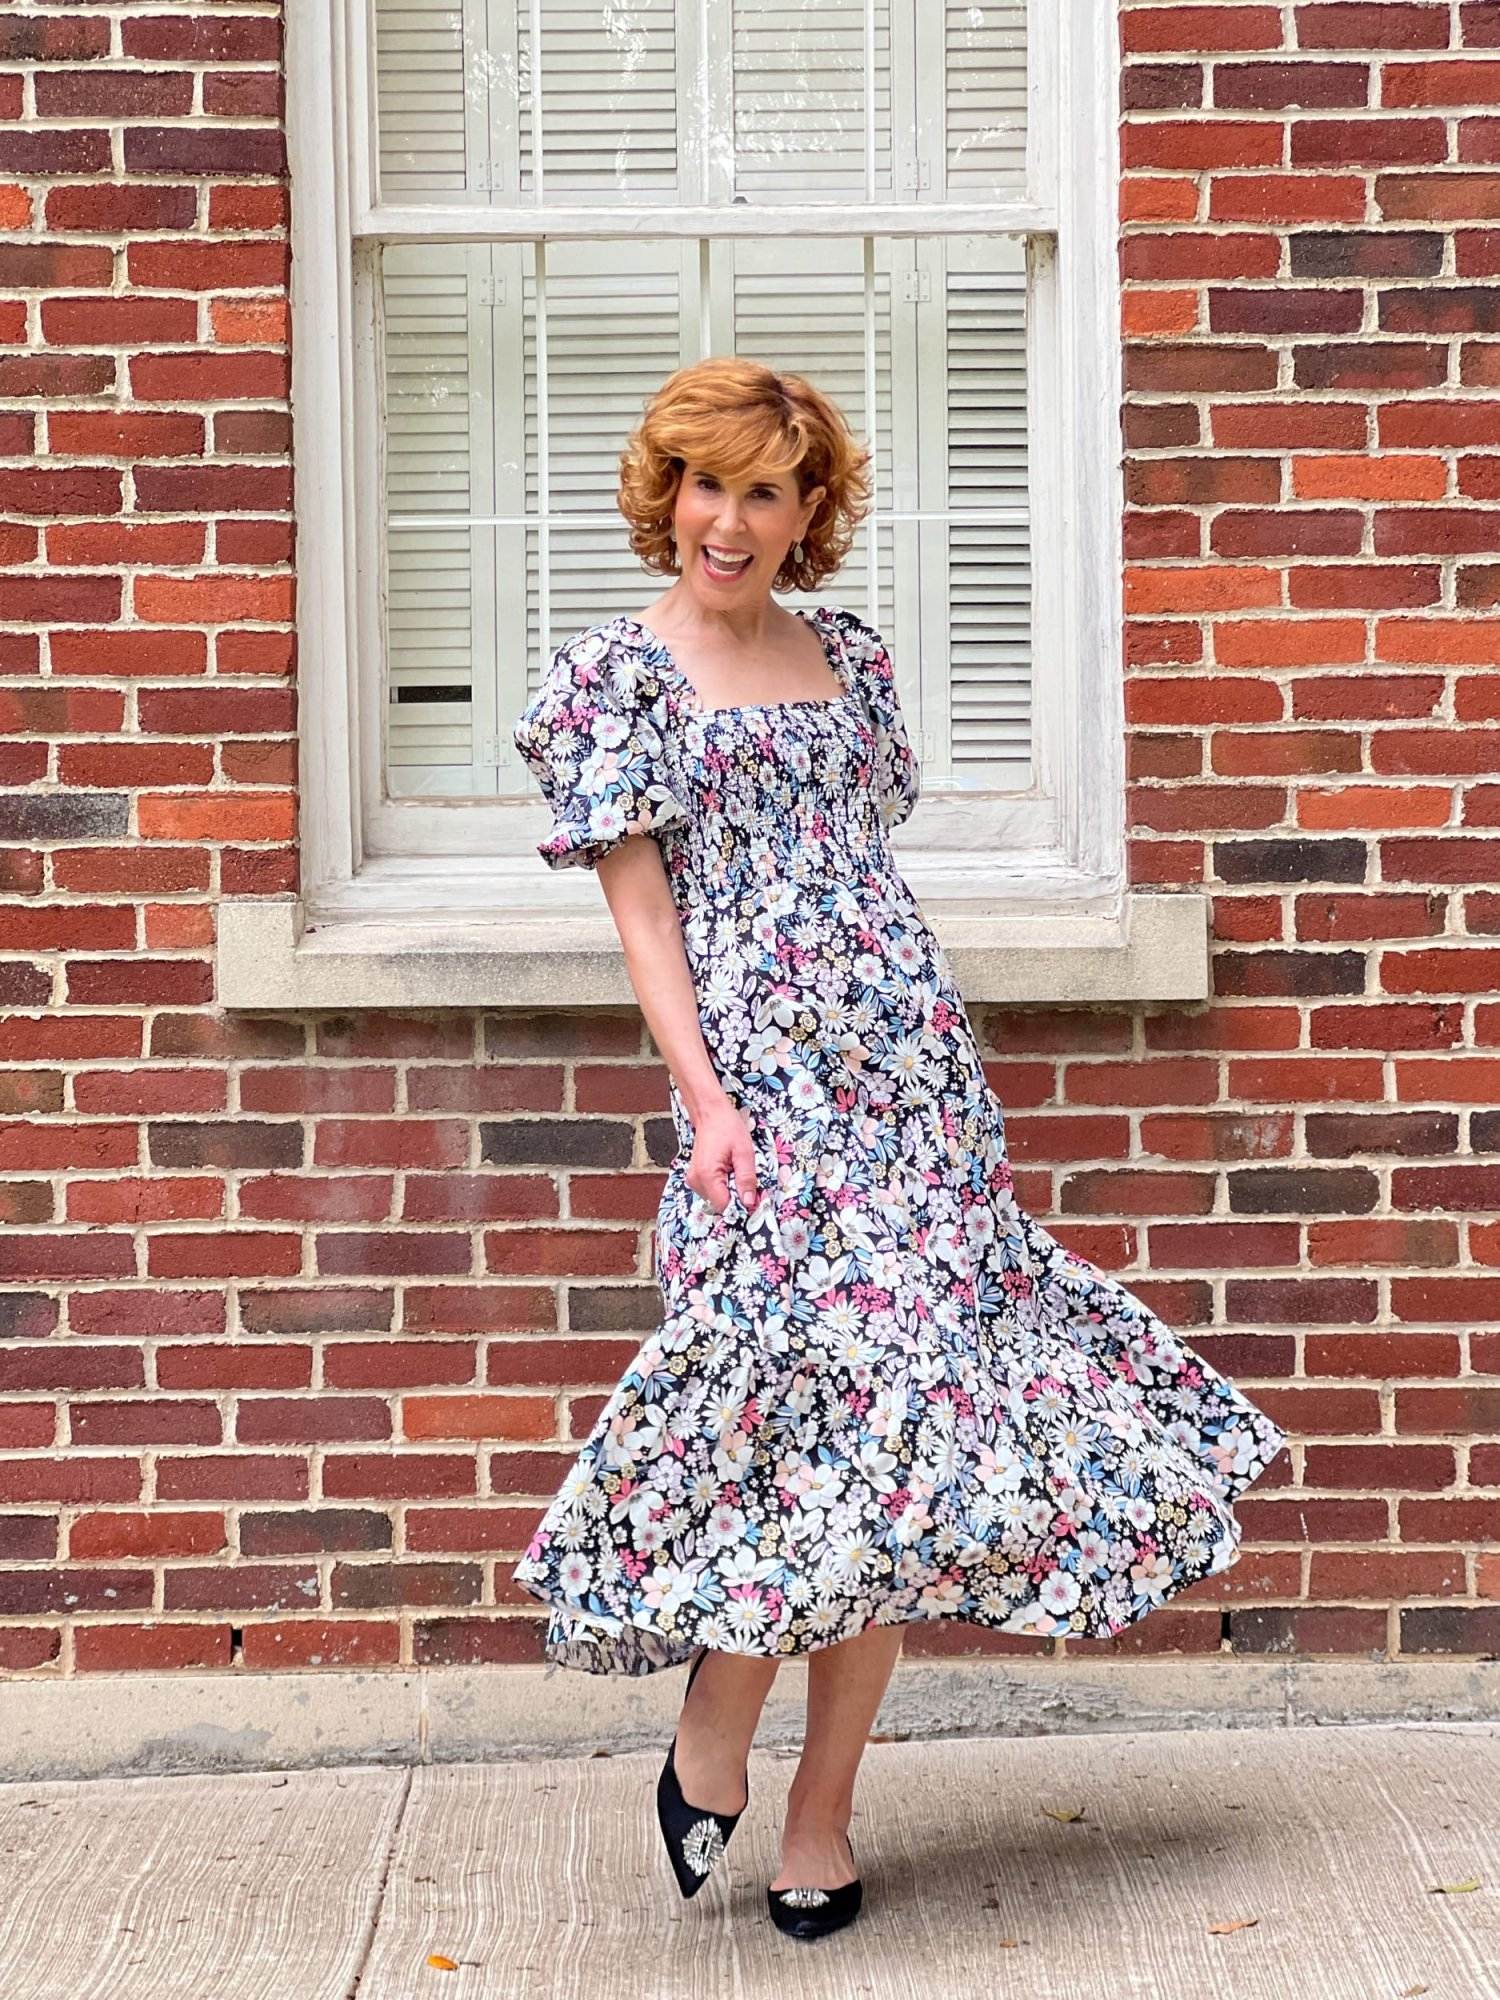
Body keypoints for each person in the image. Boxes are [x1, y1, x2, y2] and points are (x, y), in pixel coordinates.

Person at [509, 356, 1288, 1941]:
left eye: (766, 492)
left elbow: (860, 872)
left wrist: (917, 1069)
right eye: (705, 485)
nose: (728, 521)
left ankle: (823, 1812)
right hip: (759, 1101)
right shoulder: (619, 677)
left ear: (812, 512)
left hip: (910, 1081)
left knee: (908, 1444)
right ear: (667, 494)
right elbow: (644, 917)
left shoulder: (848, 659)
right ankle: (717, 1724)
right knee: (799, 1425)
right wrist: (706, 1098)